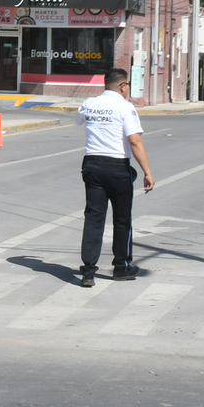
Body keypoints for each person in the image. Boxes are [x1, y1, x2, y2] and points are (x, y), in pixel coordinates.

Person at [77, 68, 155, 287]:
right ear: (123, 86)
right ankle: (121, 267)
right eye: (127, 85)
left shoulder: (89, 103)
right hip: (117, 168)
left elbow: (79, 120)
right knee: (122, 220)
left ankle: (88, 272)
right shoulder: (125, 107)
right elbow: (135, 141)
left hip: (92, 166)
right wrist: (147, 172)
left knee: (93, 218)